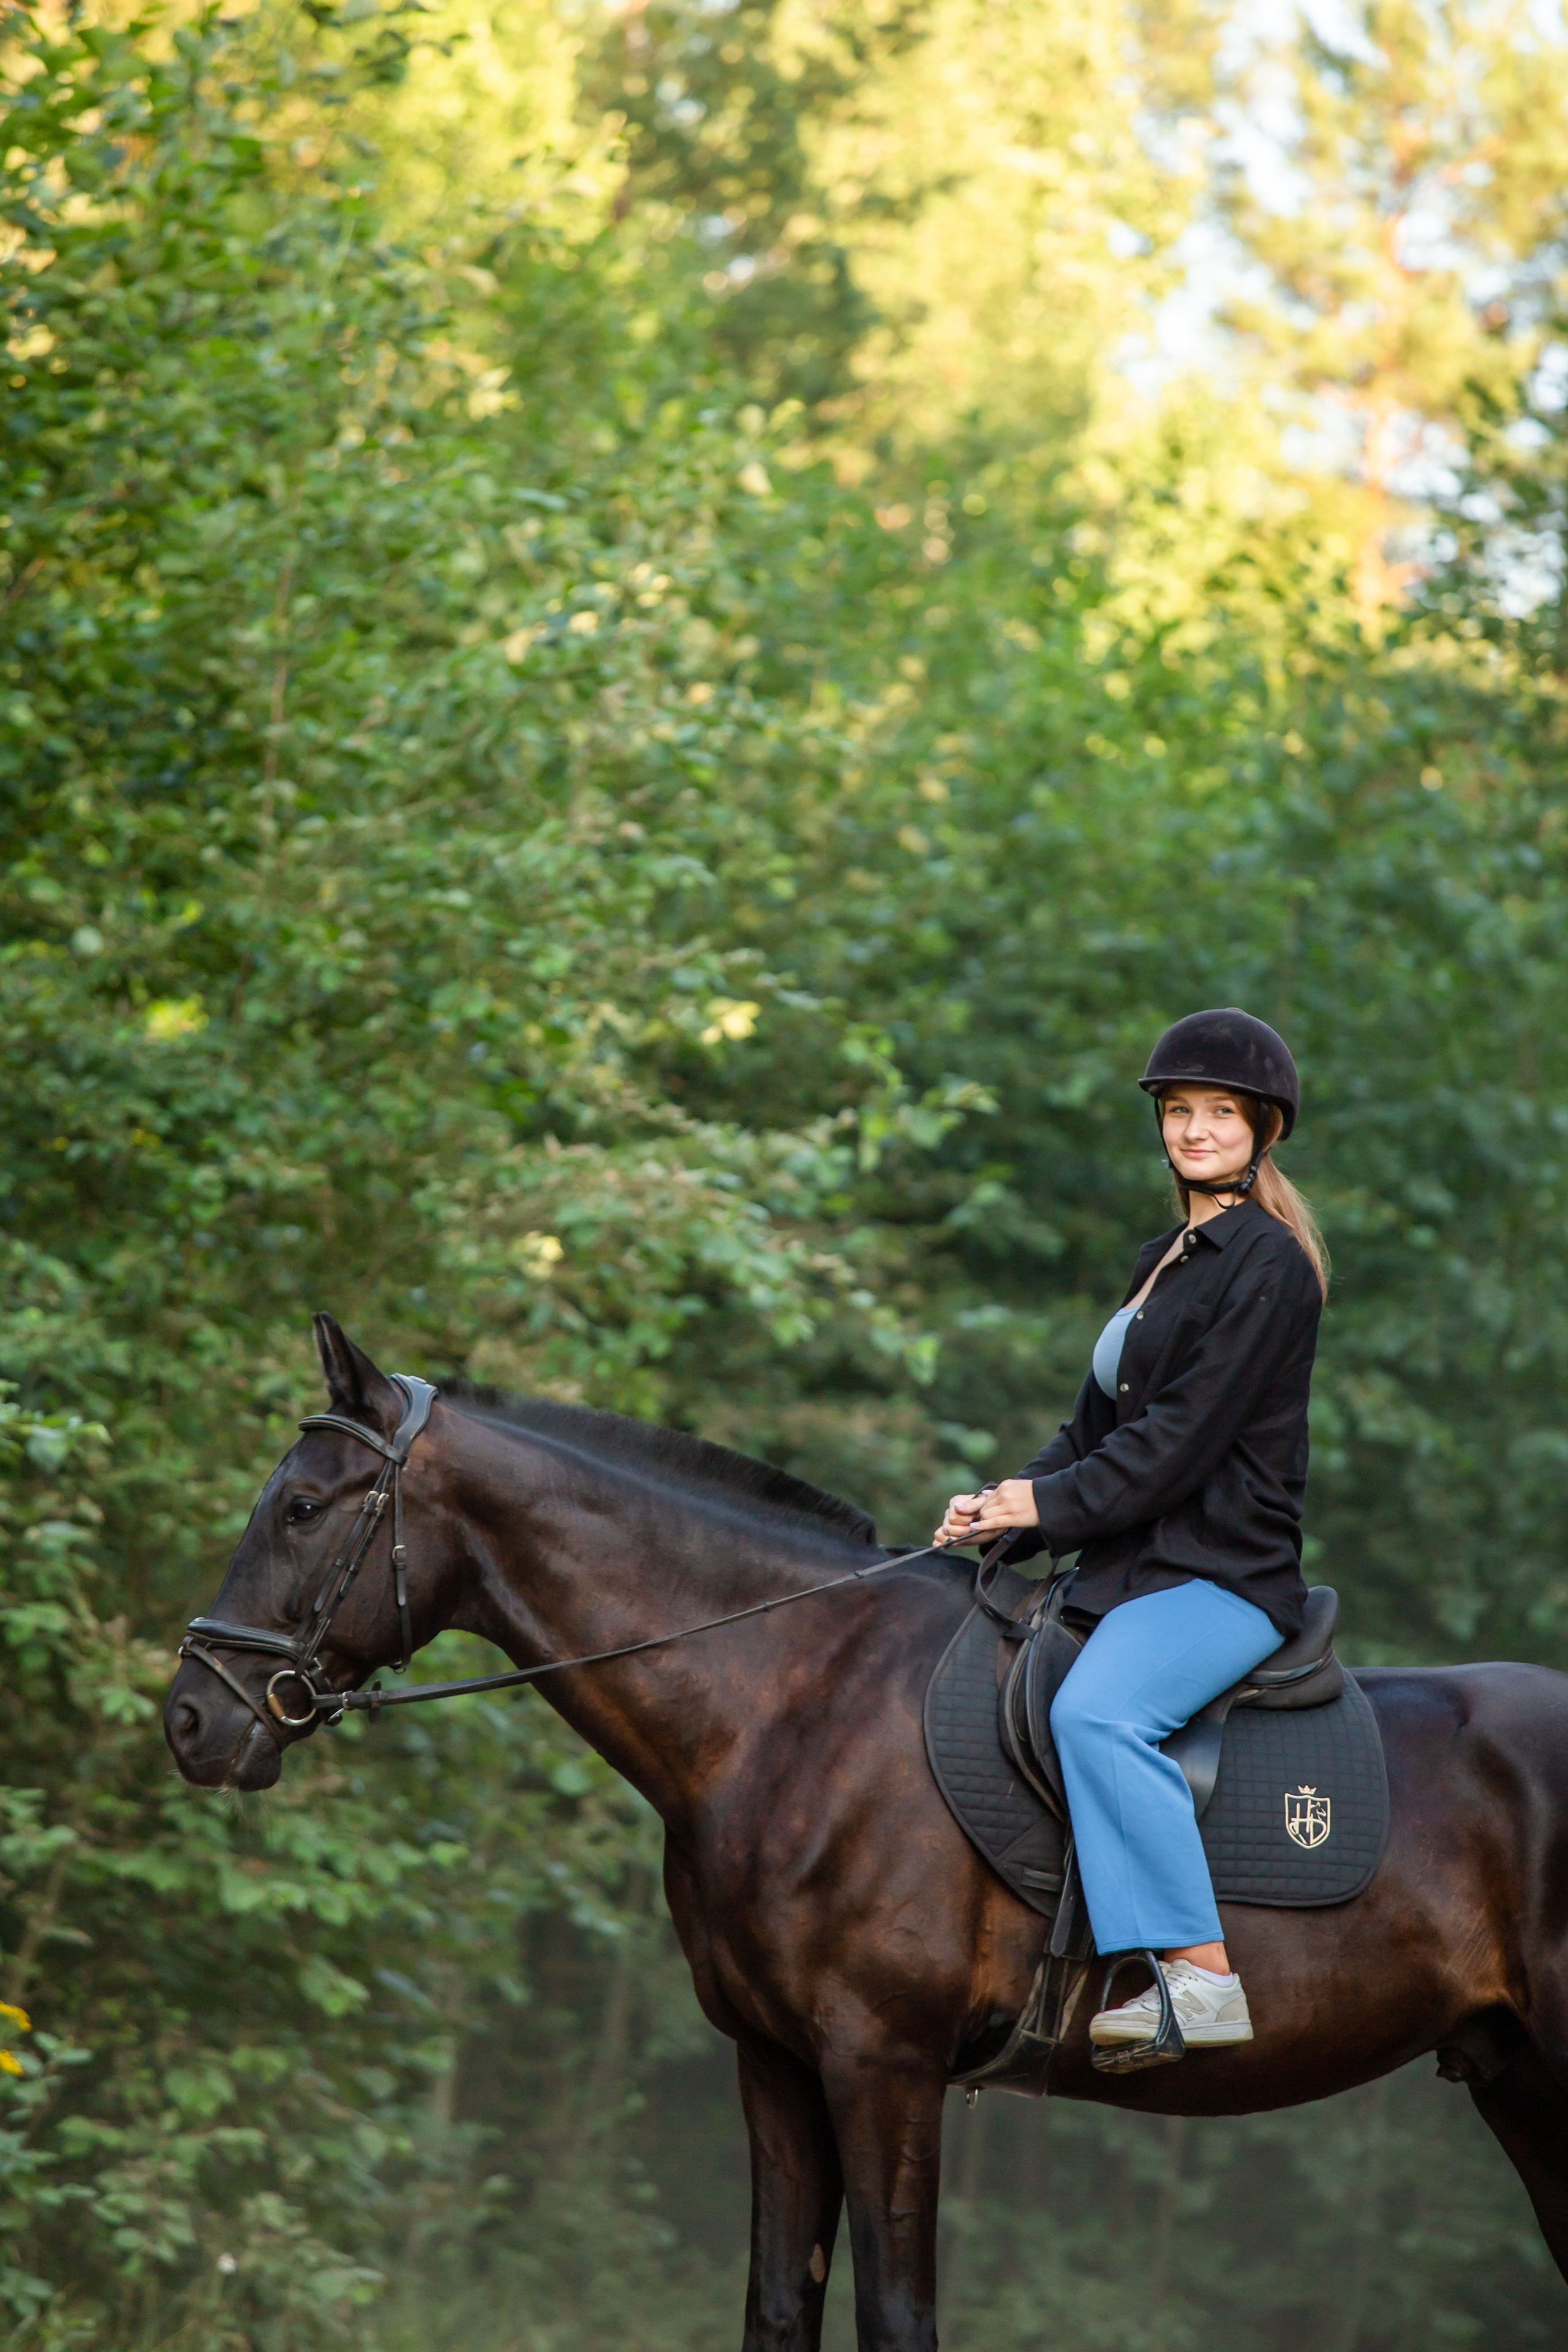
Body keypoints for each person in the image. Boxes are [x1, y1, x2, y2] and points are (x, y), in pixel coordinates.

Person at [935, 1009, 1327, 2053]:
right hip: (1131, 1566)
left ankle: (1199, 1981)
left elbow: (1181, 1444)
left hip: (1221, 1575)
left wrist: (1047, 1506)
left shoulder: (1270, 1266)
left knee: (1100, 1718)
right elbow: (1093, 1431)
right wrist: (1004, 1507)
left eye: (1221, 1113)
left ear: (1262, 1130)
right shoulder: (1166, 1260)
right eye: (1180, 1111)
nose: (1197, 1130)